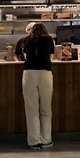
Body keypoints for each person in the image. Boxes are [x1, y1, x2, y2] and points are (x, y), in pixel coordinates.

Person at [20, 22, 55, 150]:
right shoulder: (49, 39)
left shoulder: (26, 40)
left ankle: (34, 141)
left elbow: (26, 57)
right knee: (46, 108)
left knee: (32, 109)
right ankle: (46, 140)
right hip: (45, 73)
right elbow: (50, 57)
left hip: (29, 73)